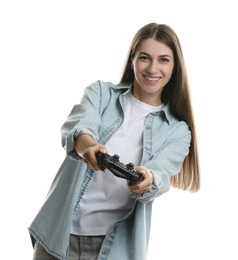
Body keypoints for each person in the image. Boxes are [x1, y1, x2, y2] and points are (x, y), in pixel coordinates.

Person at [29, 22, 200, 260]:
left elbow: (159, 174)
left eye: (163, 59)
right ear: (132, 60)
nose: (152, 68)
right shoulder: (100, 94)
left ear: (175, 67)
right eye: (144, 57)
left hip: (113, 249)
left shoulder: (178, 131)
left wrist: (148, 179)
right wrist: (89, 147)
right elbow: (78, 128)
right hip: (58, 235)